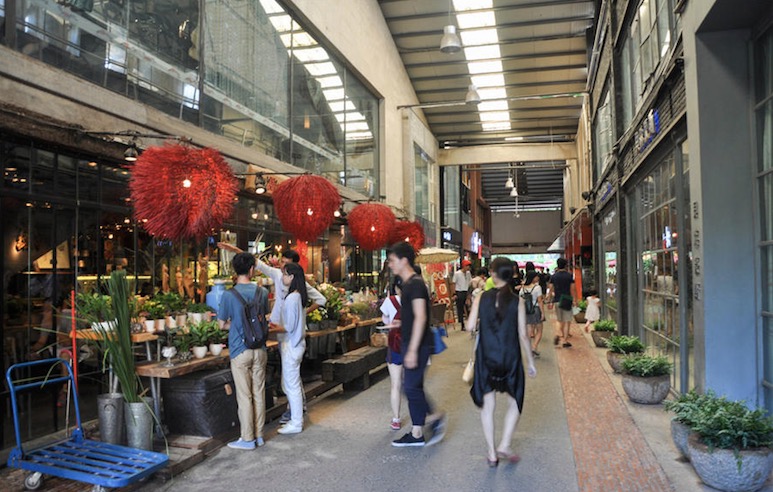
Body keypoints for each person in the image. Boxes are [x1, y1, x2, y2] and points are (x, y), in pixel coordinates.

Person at [217, 243, 326, 425]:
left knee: (290, 376)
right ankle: (296, 409)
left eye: (286, 265)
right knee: (290, 374)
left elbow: (321, 300)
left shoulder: (297, 290)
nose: (281, 267)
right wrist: (236, 250)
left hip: (288, 334)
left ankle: (295, 413)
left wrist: (301, 314)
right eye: (281, 263)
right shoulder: (278, 276)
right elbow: (255, 264)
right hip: (280, 332)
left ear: (293, 271)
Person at [465, 257, 537, 467]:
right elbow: (524, 335)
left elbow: (470, 327)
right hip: (510, 357)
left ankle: (491, 453)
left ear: (494, 274)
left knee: (488, 405)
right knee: (515, 400)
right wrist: (530, 362)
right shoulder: (518, 301)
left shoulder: (481, 298)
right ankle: (504, 443)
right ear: (512, 274)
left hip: (486, 357)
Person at [388, 242, 446, 448]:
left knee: (410, 386)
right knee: (413, 386)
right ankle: (419, 430)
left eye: (393, 260)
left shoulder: (416, 284)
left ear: (404, 261)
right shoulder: (410, 284)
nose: (390, 265)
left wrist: (412, 349)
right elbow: (415, 317)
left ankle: (428, 423)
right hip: (412, 342)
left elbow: (422, 318)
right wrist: (401, 322)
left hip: (418, 345)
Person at [218, 253, 269, 450]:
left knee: (244, 396)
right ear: (251, 270)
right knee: (259, 392)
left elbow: (222, 324)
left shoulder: (229, 295)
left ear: (235, 270)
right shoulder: (262, 292)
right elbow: (263, 317)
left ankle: (247, 439)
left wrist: (235, 323)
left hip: (240, 350)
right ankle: (259, 435)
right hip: (260, 349)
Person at [271, 262, 308, 434]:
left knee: (291, 385)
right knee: (292, 384)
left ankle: (296, 422)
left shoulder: (293, 297)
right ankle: (296, 420)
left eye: (285, 274)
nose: (283, 277)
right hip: (297, 344)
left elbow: (290, 326)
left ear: (291, 276)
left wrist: (272, 328)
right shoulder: (298, 295)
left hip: (291, 345)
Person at [380, 278, 403, 431]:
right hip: (412, 345)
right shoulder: (415, 300)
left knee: (396, 384)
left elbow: (385, 319)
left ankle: (396, 419)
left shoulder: (390, 300)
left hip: (395, 344)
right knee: (412, 384)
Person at [548, 258, 576, 348]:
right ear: (565, 265)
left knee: (559, 320)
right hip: (567, 299)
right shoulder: (569, 276)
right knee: (567, 320)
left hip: (557, 299)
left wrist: (549, 300)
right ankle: (565, 340)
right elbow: (572, 289)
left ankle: (557, 334)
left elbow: (550, 289)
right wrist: (574, 300)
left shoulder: (554, 276)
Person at [522, 271, 545, 357]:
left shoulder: (523, 288)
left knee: (528, 330)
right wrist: (542, 313)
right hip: (536, 310)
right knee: (539, 330)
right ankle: (534, 347)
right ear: (533, 278)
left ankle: (529, 348)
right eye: (536, 276)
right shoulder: (537, 287)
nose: (538, 278)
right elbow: (540, 301)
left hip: (526, 311)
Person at [452, 260, 473, 328]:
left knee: (468, 307)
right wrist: (454, 293)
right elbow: (453, 283)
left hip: (466, 291)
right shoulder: (457, 273)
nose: (468, 267)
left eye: (469, 266)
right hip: (459, 291)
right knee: (460, 308)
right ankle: (462, 323)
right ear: (464, 266)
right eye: (467, 266)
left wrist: (469, 293)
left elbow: (470, 282)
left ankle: (469, 321)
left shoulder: (468, 273)